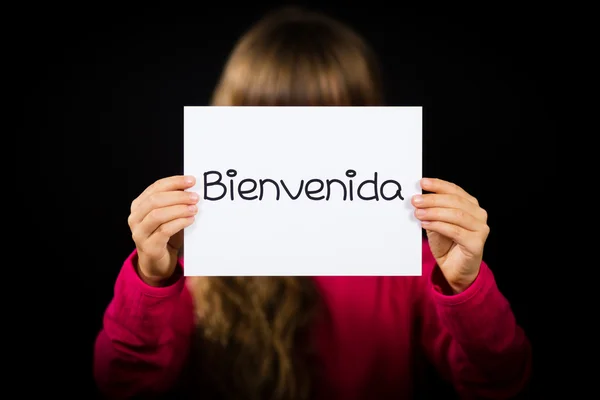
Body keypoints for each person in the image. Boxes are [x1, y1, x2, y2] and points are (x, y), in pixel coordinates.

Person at [93, 6, 531, 400]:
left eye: (330, 122)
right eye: (277, 122)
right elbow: (124, 387)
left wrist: (465, 288)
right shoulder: (189, 259)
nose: (303, 153)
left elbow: (498, 382)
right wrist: (151, 280)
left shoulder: (411, 264)